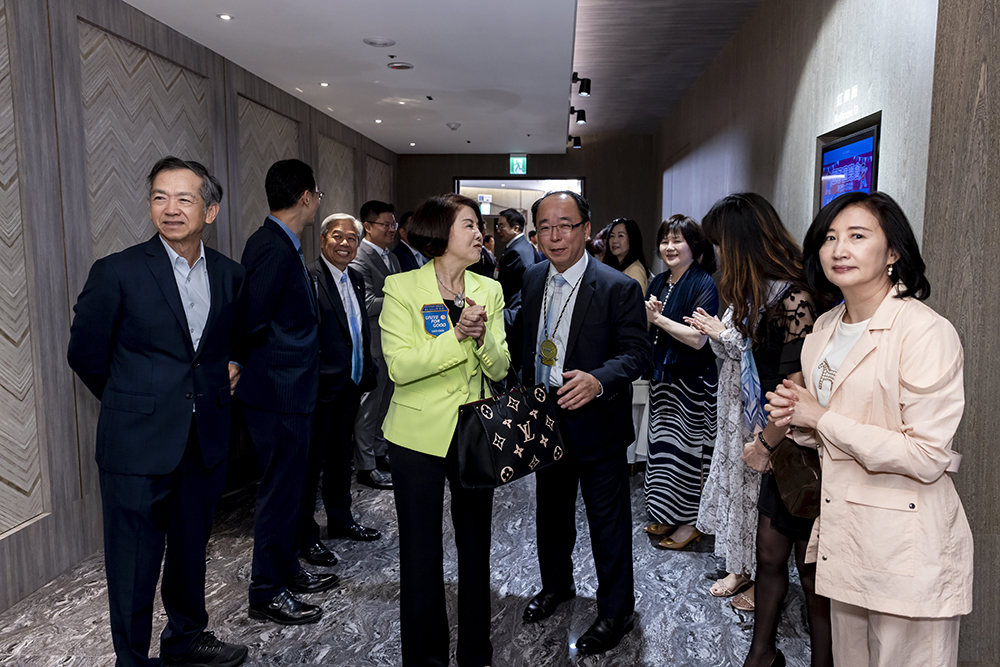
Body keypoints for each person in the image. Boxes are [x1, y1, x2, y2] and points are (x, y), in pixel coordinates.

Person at [766, 192, 972, 667]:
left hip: (905, 543)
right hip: (845, 536)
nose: (839, 249)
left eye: (857, 236)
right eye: (829, 238)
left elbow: (926, 455)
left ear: (893, 251)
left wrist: (820, 418)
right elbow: (828, 433)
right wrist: (797, 418)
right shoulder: (824, 328)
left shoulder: (924, 331)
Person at [67, 156, 248, 667]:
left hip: (203, 440)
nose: (170, 209)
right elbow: (85, 355)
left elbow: (235, 340)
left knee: (191, 551)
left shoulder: (230, 275)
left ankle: (186, 639)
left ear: (210, 211)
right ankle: (131, 659)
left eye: (184, 198)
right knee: (133, 563)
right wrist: (136, 402)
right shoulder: (117, 271)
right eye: (159, 197)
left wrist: (235, 363)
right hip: (136, 445)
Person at [688, 193, 832, 667]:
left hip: (800, 447)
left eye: (721, 246)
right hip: (773, 440)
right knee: (769, 555)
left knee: (810, 574)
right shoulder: (760, 297)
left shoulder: (795, 300)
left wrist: (763, 445)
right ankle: (762, 654)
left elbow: (796, 387)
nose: (717, 258)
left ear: (741, 244)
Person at [516, 191, 651, 655]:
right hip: (545, 420)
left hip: (597, 423)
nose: (555, 236)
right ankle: (556, 586)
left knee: (607, 525)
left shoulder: (618, 287)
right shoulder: (533, 278)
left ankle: (616, 612)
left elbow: (637, 354)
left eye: (565, 225)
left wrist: (598, 380)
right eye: (545, 227)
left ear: (586, 229)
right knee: (551, 517)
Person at [379, 194, 510, 667]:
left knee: (476, 549)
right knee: (420, 552)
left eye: (479, 226)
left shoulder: (488, 290)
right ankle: (425, 659)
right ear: (441, 232)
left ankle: (476, 654)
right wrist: (456, 336)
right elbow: (400, 367)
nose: (480, 233)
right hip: (416, 437)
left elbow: (501, 366)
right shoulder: (401, 287)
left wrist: (480, 337)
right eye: (469, 225)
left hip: (474, 435)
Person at [236, 158, 336, 625]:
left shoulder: (282, 243)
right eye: (317, 195)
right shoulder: (271, 247)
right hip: (278, 394)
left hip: (292, 391)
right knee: (279, 493)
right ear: (306, 197)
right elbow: (250, 319)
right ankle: (267, 591)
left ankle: (287, 569)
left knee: (292, 489)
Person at [298, 213, 381, 565]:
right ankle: (305, 536)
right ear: (322, 240)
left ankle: (341, 519)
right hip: (320, 389)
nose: (345, 243)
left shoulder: (356, 278)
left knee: (339, 459)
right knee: (310, 467)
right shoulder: (309, 278)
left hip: (350, 383)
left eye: (351, 238)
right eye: (337, 236)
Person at [642, 215, 719, 550]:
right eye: (665, 241)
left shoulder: (703, 283)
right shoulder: (658, 281)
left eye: (677, 241)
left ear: (693, 245)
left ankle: (691, 523)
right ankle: (667, 513)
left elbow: (698, 339)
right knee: (663, 451)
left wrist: (658, 318)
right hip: (662, 378)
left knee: (688, 455)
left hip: (692, 382)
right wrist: (649, 320)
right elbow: (645, 328)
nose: (669, 247)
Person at [350, 200, 400, 489]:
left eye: (393, 224)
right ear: (367, 226)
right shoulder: (361, 257)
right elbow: (366, 304)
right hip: (373, 344)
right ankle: (365, 466)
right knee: (369, 408)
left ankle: (380, 453)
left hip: (392, 342)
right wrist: (404, 299)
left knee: (385, 404)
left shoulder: (390, 256)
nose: (392, 229)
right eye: (386, 224)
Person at [495, 208, 536, 310]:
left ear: (516, 229)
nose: (498, 230)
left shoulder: (515, 252)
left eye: (501, 226)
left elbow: (507, 286)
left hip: (514, 307)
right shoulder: (525, 245)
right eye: (498, 226)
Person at [604, 217, 651, 296]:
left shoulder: (635, 269)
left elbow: (635, 301)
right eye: (612, 236)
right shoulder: (617, 266)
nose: (614, 241)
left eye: (620, 236)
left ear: (632, 239)